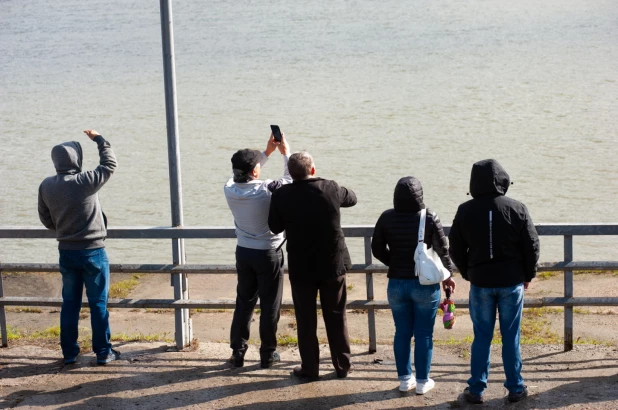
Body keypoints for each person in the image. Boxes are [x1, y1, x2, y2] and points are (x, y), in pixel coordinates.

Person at [448, 159, 540, 404]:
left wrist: (468, 272)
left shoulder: (465, 210)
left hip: (481, 283)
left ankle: (476, 390)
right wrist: (528, 275)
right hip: (511, 283)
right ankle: (515, 388)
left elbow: (455, 248)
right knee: (511, 337)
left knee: (482, 337)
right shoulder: (517, 208)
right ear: (503, 180)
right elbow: (531, 245)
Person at [268, 151, 356, 380]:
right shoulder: (331, 188)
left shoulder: (281, 195)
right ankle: (342, 366)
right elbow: (353, 198)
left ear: (292, 174)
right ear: (313, 170)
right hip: (332, 265)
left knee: (306, 319)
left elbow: (274, 227)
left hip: (302, 267)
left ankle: (310, 368)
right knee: (337, 316)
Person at [38, 129, 119, 365]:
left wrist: (64, 229)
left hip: (66, 251)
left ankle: (70, 353)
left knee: (70, 304)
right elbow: (109, 164)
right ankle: (103, 353)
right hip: (93, 252)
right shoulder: (85, 181)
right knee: (98, 304)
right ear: (77, 159)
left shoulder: (46, 185)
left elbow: (45, 218)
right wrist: (100, 140)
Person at [371, 176, 456, 394]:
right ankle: (422, 382)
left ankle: (404, 379)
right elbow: (442, 249)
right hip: (424, 285)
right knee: (424, 334)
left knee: (402, 332)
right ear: (420, 195)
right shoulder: (428, 217)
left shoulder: (386, 217)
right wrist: (448, 275)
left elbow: (377, 249)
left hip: (397, 284)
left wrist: (394, 263)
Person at [224, 133, 292, 368]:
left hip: (244, 252)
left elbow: (244, 173)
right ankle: (267, 354)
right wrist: (284, 151)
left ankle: (238, 352)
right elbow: (291, 177)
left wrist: (266, 154)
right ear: (255, 171)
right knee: (270, 305)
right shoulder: (268, 189)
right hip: (269, 253)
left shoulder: (229, 188)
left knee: (244, 302)